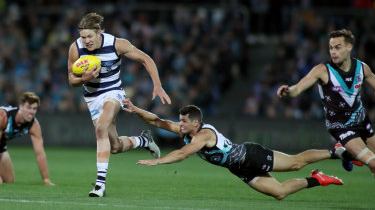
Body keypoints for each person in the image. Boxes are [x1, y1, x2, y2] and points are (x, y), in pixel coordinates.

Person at [123, 98, 344, 200]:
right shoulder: (186, 131)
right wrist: (135, 109)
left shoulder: (203, 135)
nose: (179, 124)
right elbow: (158, 121)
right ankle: (319, 179)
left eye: (183, 121)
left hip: (252, 156)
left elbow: (182, 154)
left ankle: (335, 151)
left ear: (195, 123)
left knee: (296, 163)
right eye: (180, 120)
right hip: (240, 169)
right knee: (279, 193)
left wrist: (157, 161)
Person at [67, 13, 171, 197]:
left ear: (99, 32)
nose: (86, 41)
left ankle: (100, 185)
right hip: (92, 98)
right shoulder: (75, 49)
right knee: (114, 147)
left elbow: (146, 59)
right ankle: (144, 140)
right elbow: (71, 79)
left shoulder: (117, 44)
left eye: (90, 36)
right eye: (83, 37)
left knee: (100, 129)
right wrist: (83, 79)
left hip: (113, 92)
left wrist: (158, 85)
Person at [277, 29, 375, 177]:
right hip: (340, 126)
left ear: (349, 47)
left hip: (362, 120)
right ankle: (347, 151)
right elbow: (298, 88)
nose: (333, 52)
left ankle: (347, 155)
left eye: (338, 47)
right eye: (331, 48)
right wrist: (289, 91)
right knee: (373, 162)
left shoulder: (362, 68)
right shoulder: (322, 70)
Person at [0, 92, 54, 186]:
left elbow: (40, 153)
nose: (31, 112)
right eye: (28, 107)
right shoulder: (3, 117)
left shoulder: (34, 126)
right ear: (21, 107)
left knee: (9, 180)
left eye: (34, 109)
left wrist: (46, 180)